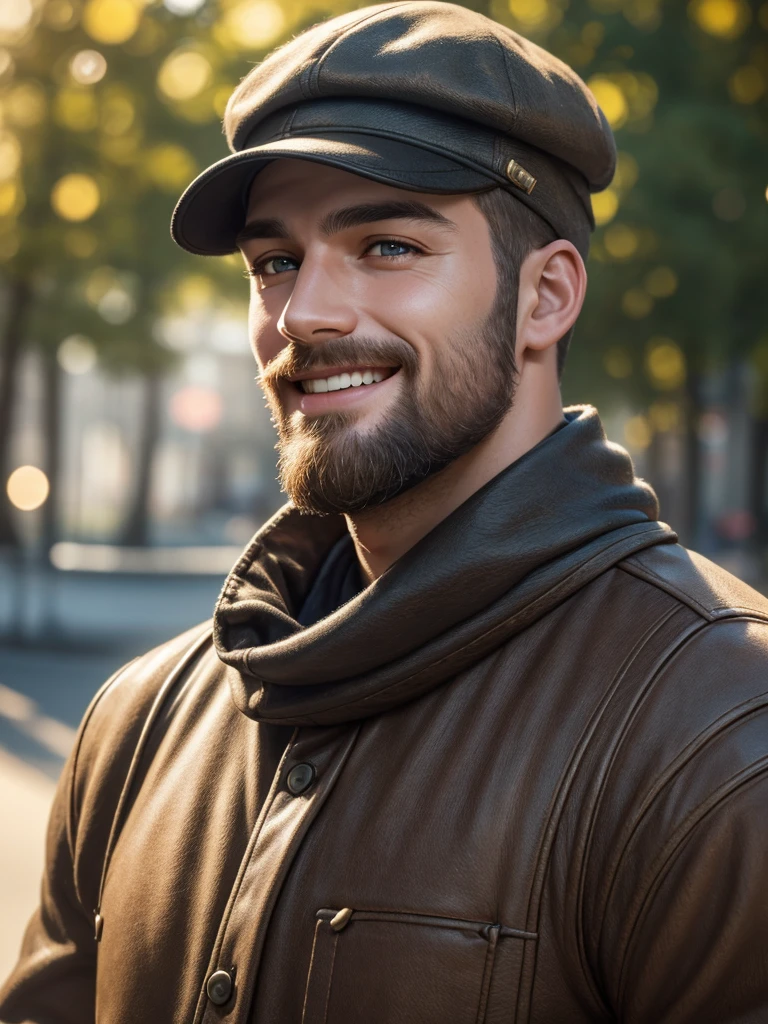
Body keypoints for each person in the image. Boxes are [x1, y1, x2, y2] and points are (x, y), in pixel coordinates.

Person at [2, 2, 767, 1021]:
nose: (304, 313)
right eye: (274, 261)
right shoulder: (138, 721)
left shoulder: (721, 733)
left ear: (546, 298)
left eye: (388, 245)